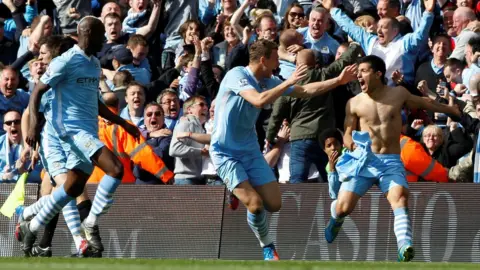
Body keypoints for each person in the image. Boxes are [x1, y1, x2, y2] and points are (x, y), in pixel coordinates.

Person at [210, 39, 357, 260]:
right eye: (276, 58)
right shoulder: (236, 75)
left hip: (249, 151)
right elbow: (259, 100)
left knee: (274, 204)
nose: (279, 63)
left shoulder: (268, 80)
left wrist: (338, 80)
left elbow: (306, 90)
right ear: (263, 60)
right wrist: (285, 82)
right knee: (256, 205)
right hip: (225, 152)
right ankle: (267, 246)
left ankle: (237, 189)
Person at [19, 16, 140, 257]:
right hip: (71, 130)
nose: (104, 39)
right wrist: (32, 128)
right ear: (86, 34)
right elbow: (37, 91)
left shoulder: (94, 63)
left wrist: (122, 122)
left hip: (88, 129)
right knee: (115, 169)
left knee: (71, 188)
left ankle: (30, 225)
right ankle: (90, 223)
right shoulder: (66, 61)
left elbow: (95, 102)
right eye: (99, 35)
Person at [324, 55, 460, 262]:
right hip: (364, 160)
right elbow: (347, 131)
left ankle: (404, 246)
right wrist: (349, 140)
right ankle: (335, 219)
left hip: (391, 161)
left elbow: (423, 102)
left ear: (378, 74)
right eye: (358, 72)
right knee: (343, 208)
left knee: (400, 198)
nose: (358, 75)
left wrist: (449, 109)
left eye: (363, 71)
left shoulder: (398, 94)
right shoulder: (354, 103)